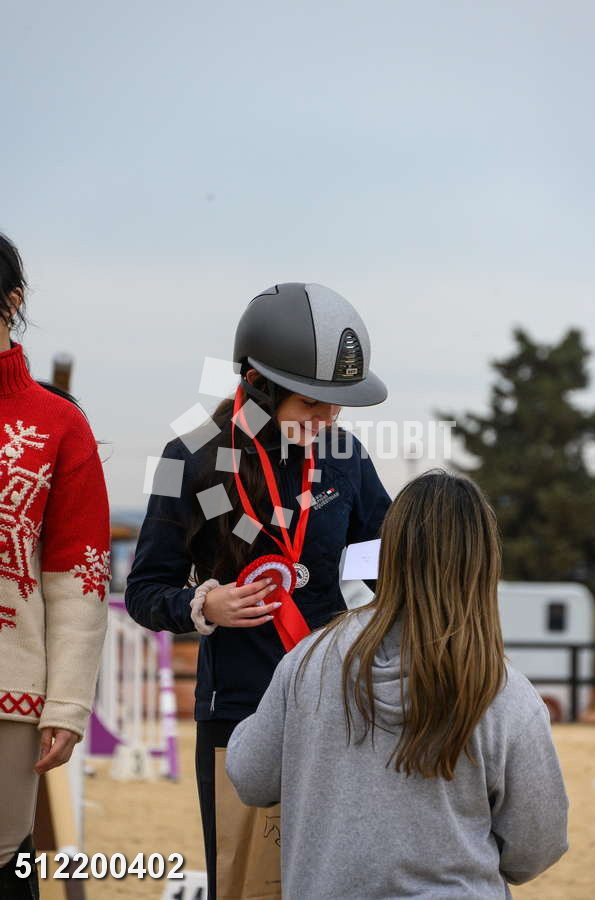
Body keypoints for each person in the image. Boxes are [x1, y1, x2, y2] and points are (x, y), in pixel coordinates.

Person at [125, 281, 391, 898]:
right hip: (237, 710)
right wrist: (202, 606)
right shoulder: (187, 457)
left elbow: (385, 562)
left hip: (335, 704)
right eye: (312, 404)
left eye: (336, 406)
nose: (328, 420)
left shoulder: (345, 455)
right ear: (257, 384)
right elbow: (145, 590)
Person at [226, 469, 569, 900]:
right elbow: (537, 846)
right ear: (482, 563)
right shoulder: (502, 692)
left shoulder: (308, 662)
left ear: (387, 550)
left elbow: (250, 776)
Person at [0, 233, 111, 898]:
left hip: (7, 696)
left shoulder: (57, 425)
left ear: (11, 302)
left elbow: (79, 581)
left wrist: (66, 706)